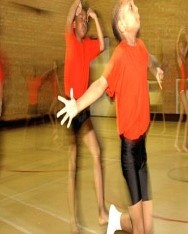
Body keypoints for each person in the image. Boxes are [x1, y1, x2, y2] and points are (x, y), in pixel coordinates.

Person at [57, 0, 163, 233]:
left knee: (146, 226)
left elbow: (147, 59)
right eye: (131, 7)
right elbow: (100, 84)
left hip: (137, 144)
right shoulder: (112, 53)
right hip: (117, 142)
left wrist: (155, 69)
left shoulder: (138, 47)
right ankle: (97, 220)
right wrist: (76, 105)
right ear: (123, 25)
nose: (135, 5)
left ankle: (111, 217)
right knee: (139, 228)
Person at [63, 0, 107, 233]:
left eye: (86, 21)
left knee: (97, 152)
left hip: (83, 108)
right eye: (81, 20)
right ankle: (72, 222)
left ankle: (101, 211)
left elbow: (101, 44)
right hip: (70, 111)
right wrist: (77, 5)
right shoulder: (69, 38)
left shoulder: (88, 45)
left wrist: (96, 18)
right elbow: (69, 15)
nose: (84, 23)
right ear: (74, 24)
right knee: (72, 165)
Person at [174, 27, 188, 154]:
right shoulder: (179, 59)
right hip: (182, 90)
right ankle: (184, 144)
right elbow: (176, 47)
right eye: (180, 47)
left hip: (183, 89)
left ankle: (176, 143)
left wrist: (186, 36)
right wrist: (179, 33)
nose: (181, 48)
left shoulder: (184, 58)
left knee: (181, 117)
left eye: (182, 46)